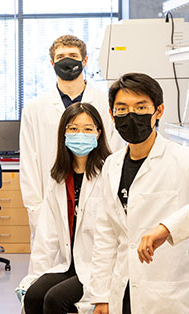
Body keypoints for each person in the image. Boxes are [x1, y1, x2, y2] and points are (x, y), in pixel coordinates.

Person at [89, 73, 189, 314]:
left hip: (166, 293)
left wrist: (167, 228)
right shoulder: (111, 166)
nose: (131, 115)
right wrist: (100, 295)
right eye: (122, 109)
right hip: (121, 290)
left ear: (158, 111)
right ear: (112, 116)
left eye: (141, 107)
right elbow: (105, 236)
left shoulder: (183, 160)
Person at [16, 102, 110, 314]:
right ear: (63, 134)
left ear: (99, 133)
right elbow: (46, 235)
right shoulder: (58, 177)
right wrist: (34, 276)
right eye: (74, 128)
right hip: (66, 263)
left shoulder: (109, 172)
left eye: (88, 129)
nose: (81, 135)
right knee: (34, 296)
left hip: (95, 266)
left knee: (55, 299)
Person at [19, 34, 123, 242]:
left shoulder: (105, 104)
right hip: (51, 203)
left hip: (97, 199)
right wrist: (37, 212)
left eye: (73, 55)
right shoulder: (35, 108)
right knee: (52, 269)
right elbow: (29, 164)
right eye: (61, 57)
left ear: (85, 61)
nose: (67, 60)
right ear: (52, 63)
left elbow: (117, 155)